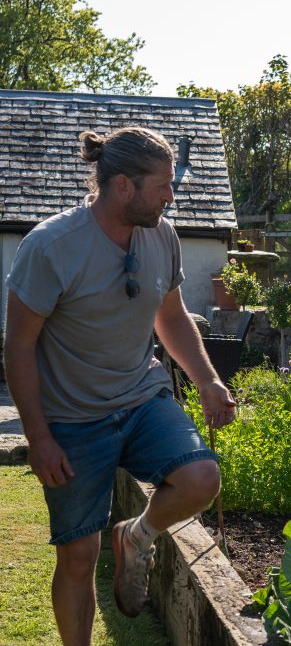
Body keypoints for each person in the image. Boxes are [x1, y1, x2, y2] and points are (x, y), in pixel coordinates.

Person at [3, 126, 237, 645]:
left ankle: (137, 535)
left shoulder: (161, 234)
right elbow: (18, 346)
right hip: (71, 419)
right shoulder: (51, 246)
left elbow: (170, 317)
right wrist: (38, 437)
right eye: (163, 185)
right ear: (124, 185)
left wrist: (206, 379)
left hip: (140, 397)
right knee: (78, 556)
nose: (171, 196)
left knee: (201, 477)